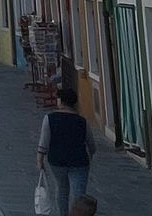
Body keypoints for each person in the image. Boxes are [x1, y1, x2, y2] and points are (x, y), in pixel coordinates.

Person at [38, 87, 95, 216]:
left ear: (61, 101)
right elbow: (91, 144)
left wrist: (40, 160)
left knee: (61, 190)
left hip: (57, 161)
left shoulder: (49, 118)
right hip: (79, 162)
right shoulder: (82, 121)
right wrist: (90, 156)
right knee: (78, 194)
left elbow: (43, 142)